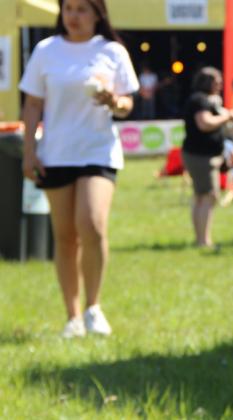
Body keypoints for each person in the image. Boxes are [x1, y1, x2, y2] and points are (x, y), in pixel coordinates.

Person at [20, 0, 139, 338]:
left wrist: (113, 101)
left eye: (81, 9)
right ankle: (72, 317)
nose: (73, 15)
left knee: (92, 224)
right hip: (56, 153)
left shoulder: (112, 51)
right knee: (65, 236)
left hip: (98, 151)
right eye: (68, 8)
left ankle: (93, 307)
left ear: (97, 13)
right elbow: (32, 104)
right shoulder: (46, 50)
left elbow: (128, 103)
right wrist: (29, 152)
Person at [181, 67, 233, 247]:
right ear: (207, 82)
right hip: (201, 155)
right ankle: (204, 241)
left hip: (200, 154)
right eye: (217, 81)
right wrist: (227, 116)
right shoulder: (200, 100)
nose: (220, 85)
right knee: (208, 196)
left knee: (201, 197)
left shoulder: (202, 100)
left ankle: (200, 239)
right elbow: (205, 124)